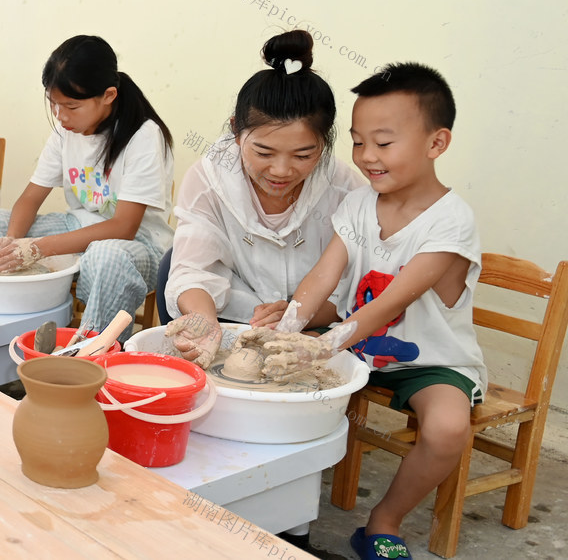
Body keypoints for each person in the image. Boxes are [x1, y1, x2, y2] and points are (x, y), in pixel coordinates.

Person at [277, 63, 486, 560]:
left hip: (429, 360)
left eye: (384, 143)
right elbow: (322, 277)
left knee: (448, 429)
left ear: (436, 143)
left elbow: (394, 301)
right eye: (357, 142)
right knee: (278, 386)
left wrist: (321, 346)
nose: (367, 156)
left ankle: (383, 523)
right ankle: (279, 508)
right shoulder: (357, 205)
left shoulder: (451, 221)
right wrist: (286, 329)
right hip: (359, 347)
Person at [0, 35, 174, 341]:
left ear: (108, 96)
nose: (60, 116)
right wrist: (11, 241)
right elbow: (30, 199)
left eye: (71, 106)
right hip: (77, 225)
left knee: (107, 256)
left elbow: (124, 227)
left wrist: (38, 247)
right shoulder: (66, 130)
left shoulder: (143, 136)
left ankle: (90, 353)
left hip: (135, 245)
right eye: (53, 103)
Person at [162, 30, 364, 368]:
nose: (281, 171)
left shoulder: (345, 190)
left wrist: (300, 315)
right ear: (236, 132)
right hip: (230, 318)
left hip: (315, 326)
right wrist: (204, 321)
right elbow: (192, 270)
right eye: (264, 152)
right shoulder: (209, 179)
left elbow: (358, 287)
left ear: (325, 143)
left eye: (303, 155)